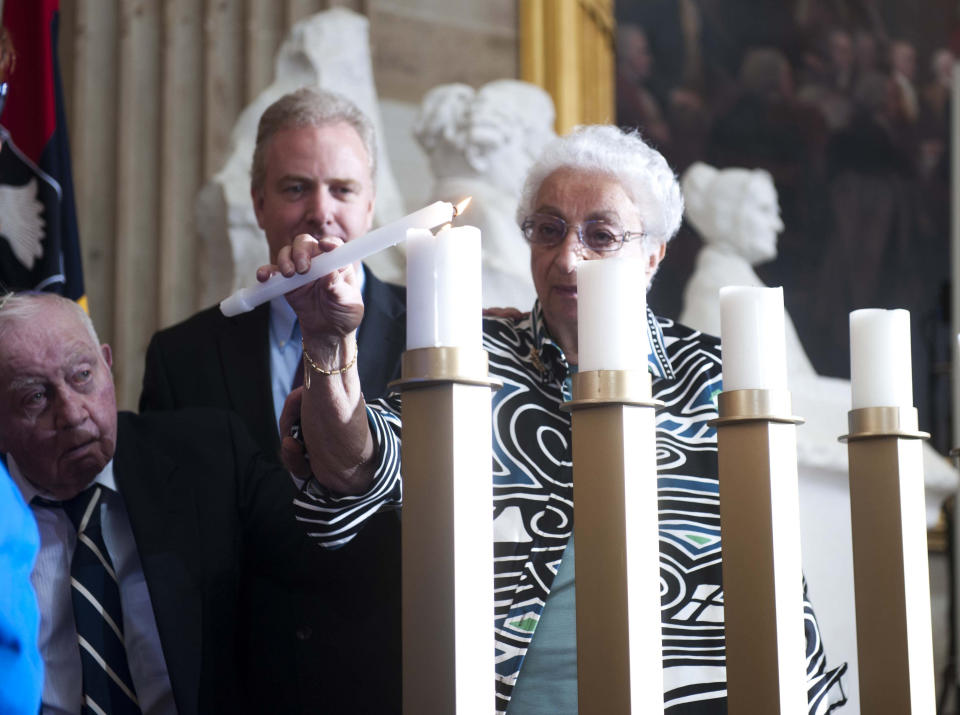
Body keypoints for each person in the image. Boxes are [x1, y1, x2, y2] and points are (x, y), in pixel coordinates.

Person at [277, 125, 848, 713]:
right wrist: (327, 343)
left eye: (600, 234)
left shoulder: (714, 376)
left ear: (653, 254)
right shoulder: (477, 356)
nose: (568, 256)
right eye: (549, 230)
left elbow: (774, 581)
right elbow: (360, 470)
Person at [0, 290, 400, 714]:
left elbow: (325, 549)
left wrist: (330, 375)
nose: (73, 413)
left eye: (82, 375)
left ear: (106, 362)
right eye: (35, 398)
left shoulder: (207, 457)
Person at [139, 87, 403, 712]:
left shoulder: (438, 336)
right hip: (243, 684)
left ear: (370, 203)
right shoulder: (183, 356)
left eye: (341, 189)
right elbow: (175, 538)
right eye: (295, 188)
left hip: (394, 676)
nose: (320, 212)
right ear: (257, 202)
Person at [679, 161, 817, 376]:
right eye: (764, 210)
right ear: (728, 214)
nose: (777, 224)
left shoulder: (737, 278)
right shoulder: (714, 284)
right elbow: (714, 381)